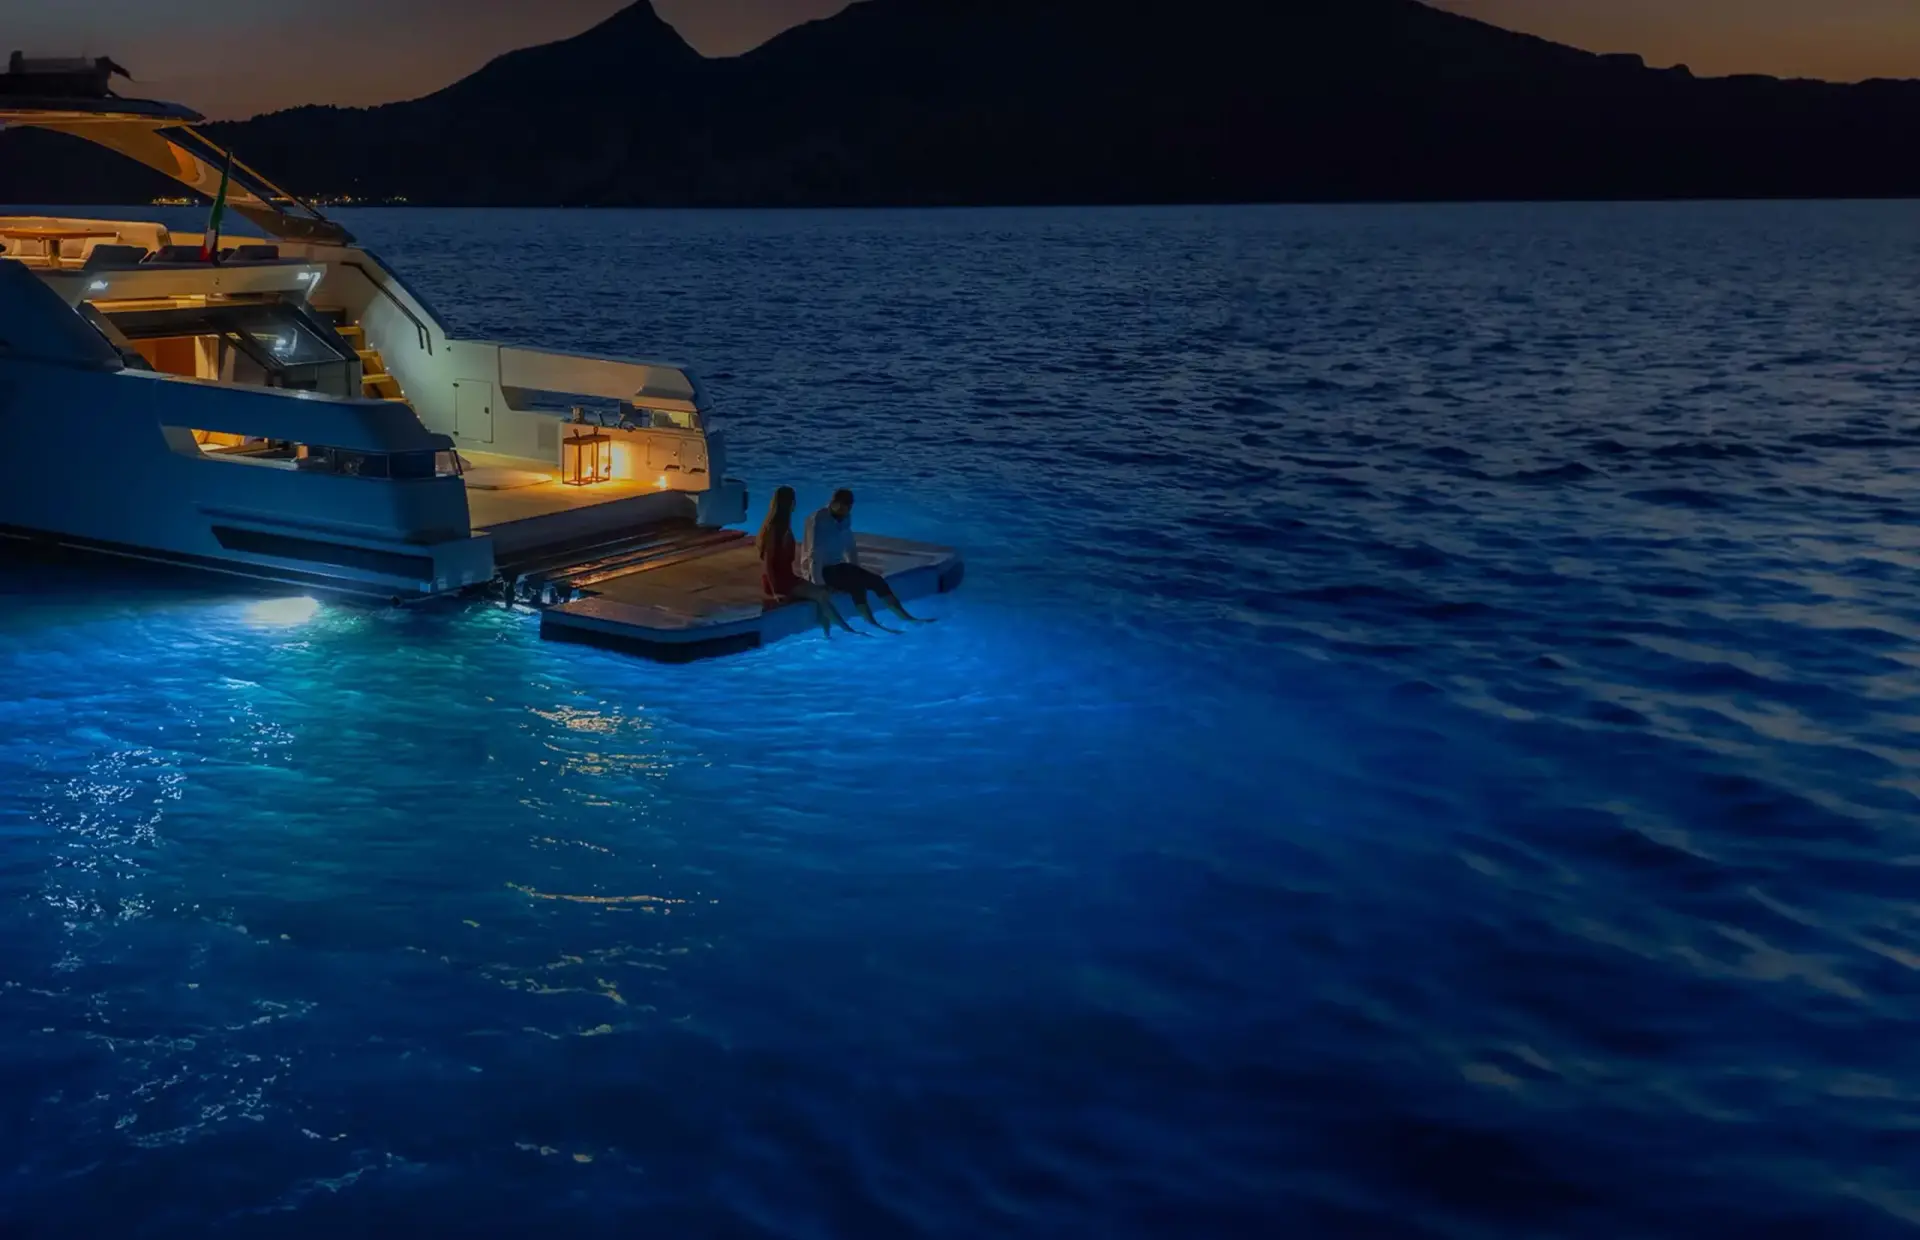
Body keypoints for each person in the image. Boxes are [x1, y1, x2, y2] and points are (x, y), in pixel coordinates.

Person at [801, 488, 929, 627]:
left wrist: (856, 571)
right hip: (820, 571)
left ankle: (906, 617)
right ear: (834, 504)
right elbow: (814, 555)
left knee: (877, 580)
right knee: (856, 585)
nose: (847, 511)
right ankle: (872, 623)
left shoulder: (844, 517)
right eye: (844, 507)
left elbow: (850, 547)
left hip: (837, 566)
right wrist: (819, 585)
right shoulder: (818, 521)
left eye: (849, 508)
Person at [757, 486, 857, 638]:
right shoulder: (775, 529)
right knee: (821, 595)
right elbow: (769, 563)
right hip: (779, 582)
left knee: (822, 593)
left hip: (789, 577)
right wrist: (776, 591)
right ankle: (841, 629)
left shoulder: (784, 526)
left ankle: (831, 631)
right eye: (793, 501)